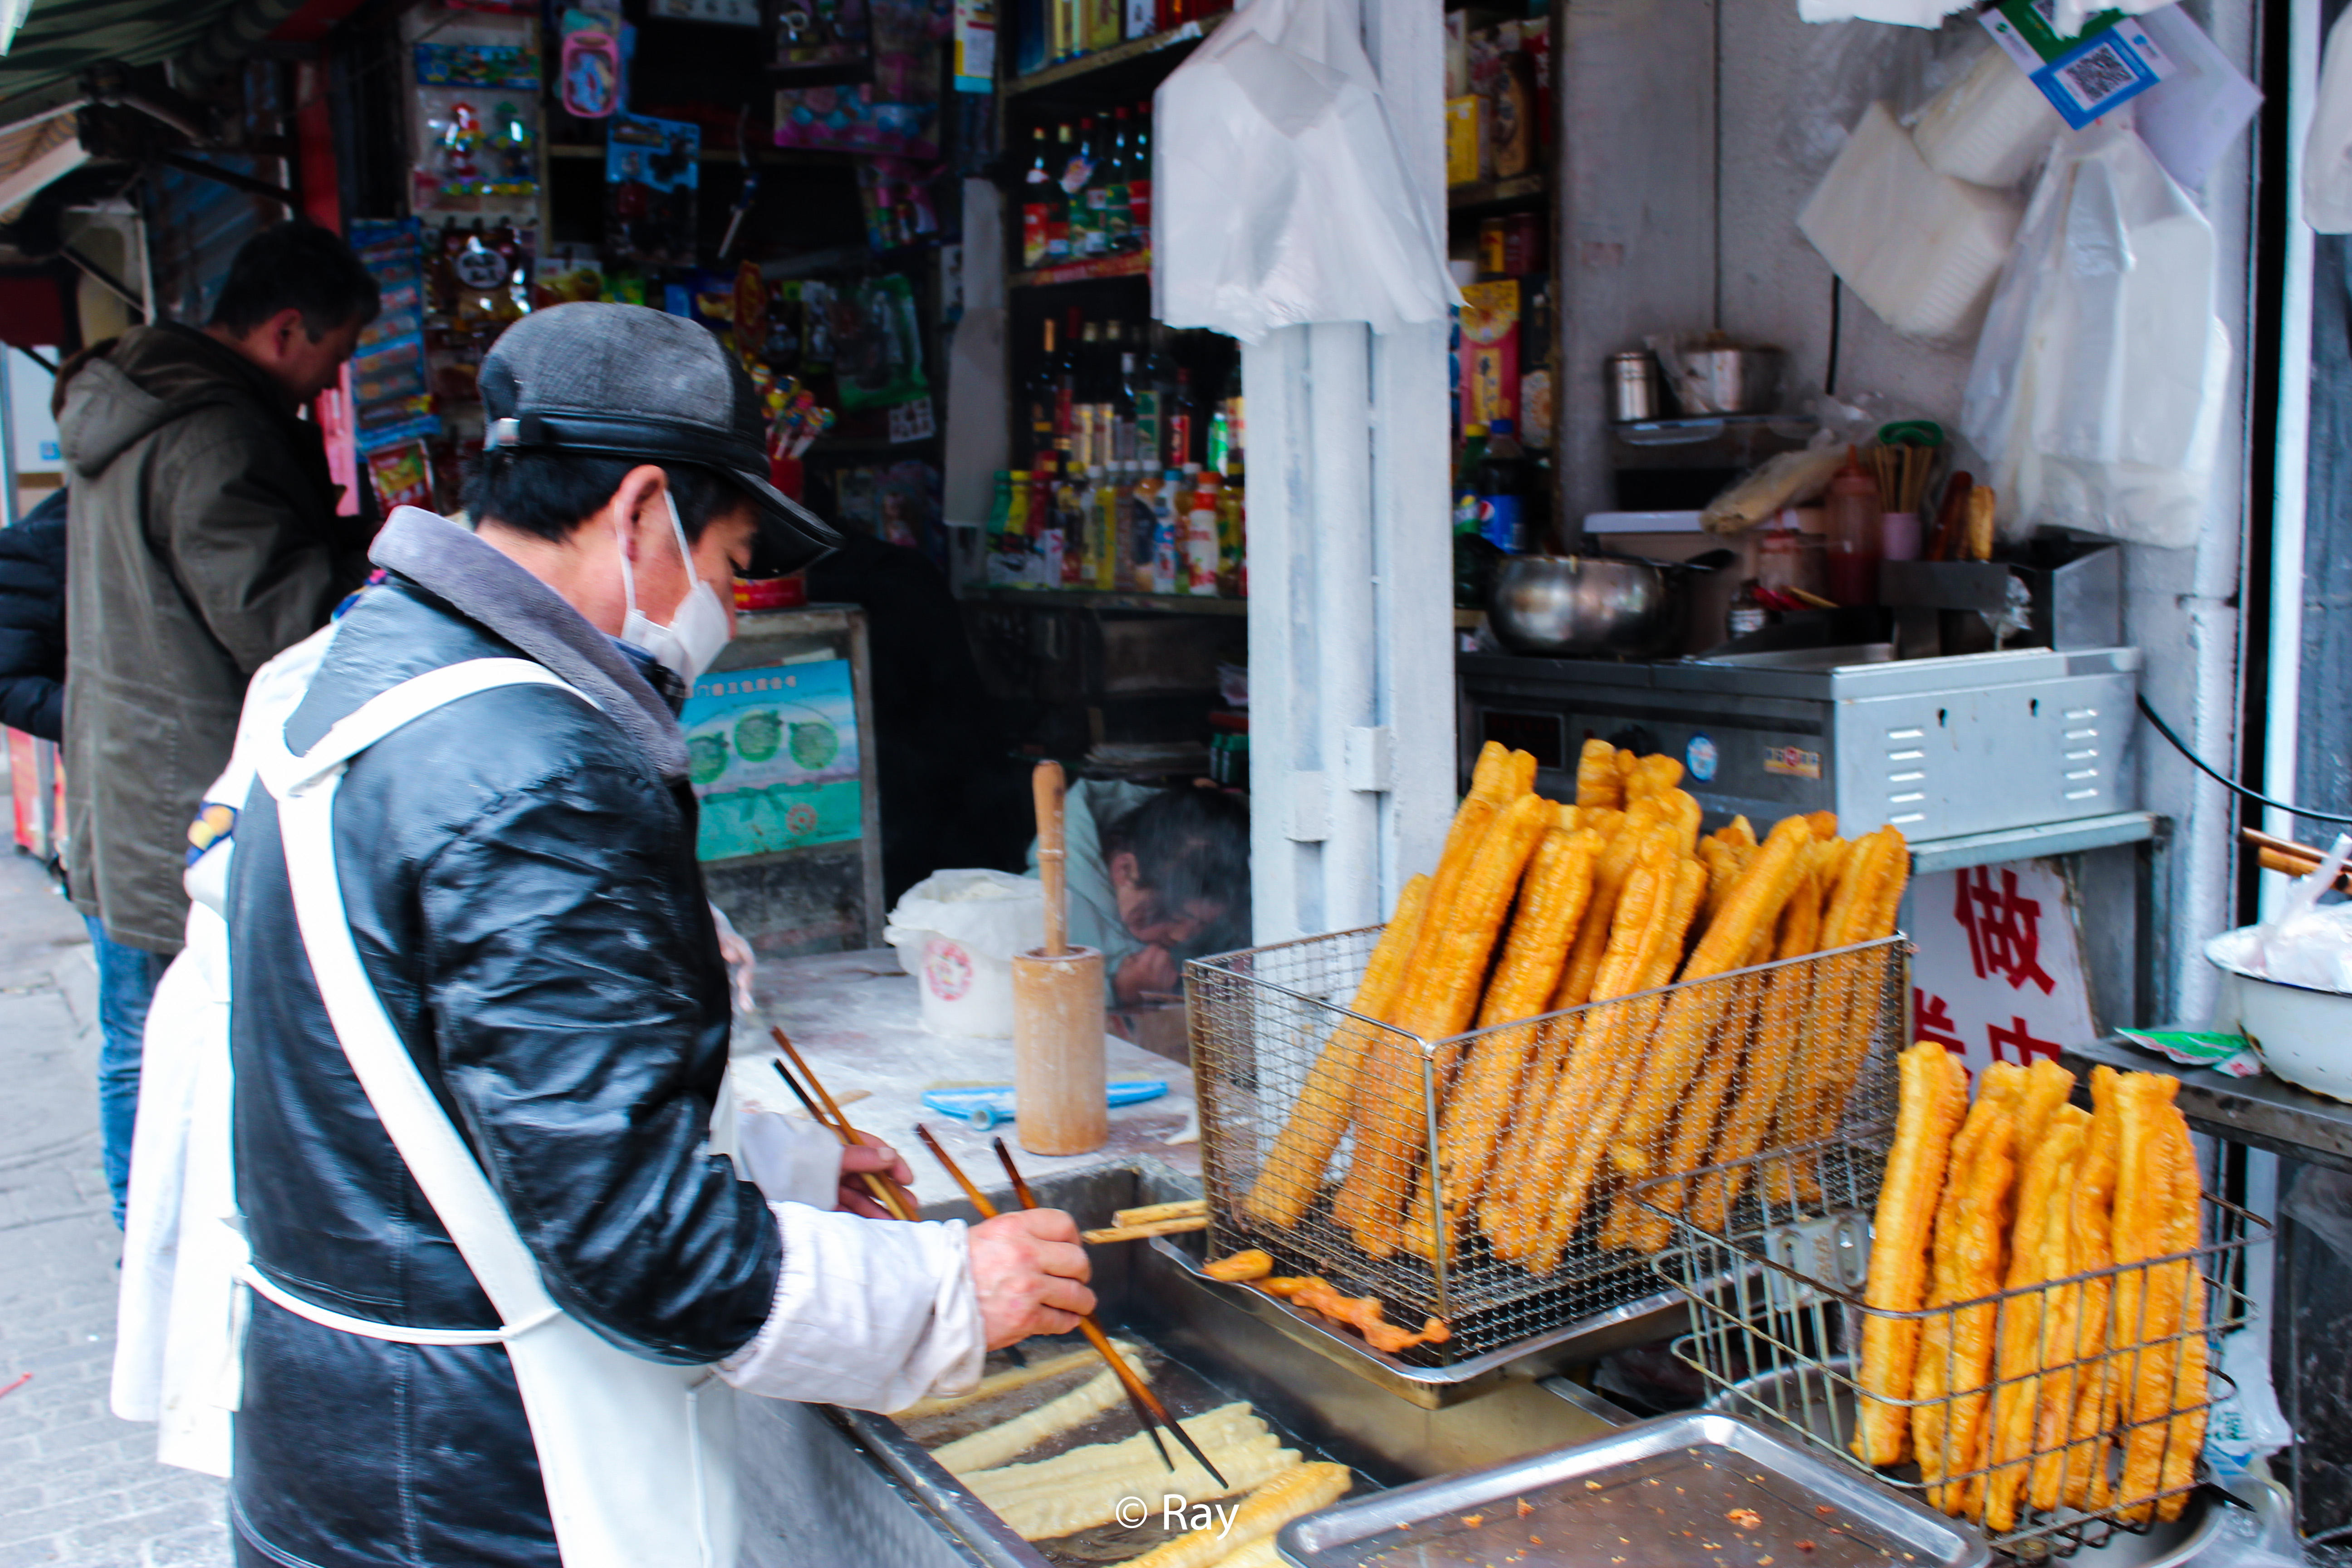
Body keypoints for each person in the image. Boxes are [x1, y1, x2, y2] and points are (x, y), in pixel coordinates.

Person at [225, 302, 1093, 1567]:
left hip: (347, 1443)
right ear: (638, 515)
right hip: (477, 1489)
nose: (732, 615)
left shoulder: (362, 672)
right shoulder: (535, 771)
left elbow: (463, 1088)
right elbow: (644, 1252)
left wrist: (774, 1166)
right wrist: (954, 1294)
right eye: (735, 565)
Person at [58, 220, 379, 1228]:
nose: (332, 383)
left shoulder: (135, 406)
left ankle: (144, 1253)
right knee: (178, 1041)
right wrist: (367, 567)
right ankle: (164, 1261)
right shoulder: (215, 433)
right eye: (334, 354)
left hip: (128, 774)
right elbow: (277, 627)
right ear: (288, 329)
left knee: (138, 1032)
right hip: (190, 786)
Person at [1035, 780, 1250, 1005]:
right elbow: (1027, 1007)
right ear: (1125, 870)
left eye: (1202, 925)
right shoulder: (1049, 905)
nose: (1182, 937)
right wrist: (1116, 992)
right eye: (1172, 917)